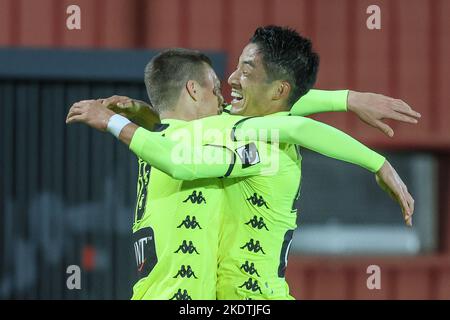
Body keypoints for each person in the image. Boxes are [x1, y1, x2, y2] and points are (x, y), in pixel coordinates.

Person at [67, 27, 416, 300]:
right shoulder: (210, 129)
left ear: (277, 91)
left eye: (245, 72)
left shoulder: (259, 143)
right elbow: (284, 107)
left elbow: (293, 122)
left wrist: (377, 161)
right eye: (229, 74)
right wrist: (347, 100)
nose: (229, 82)